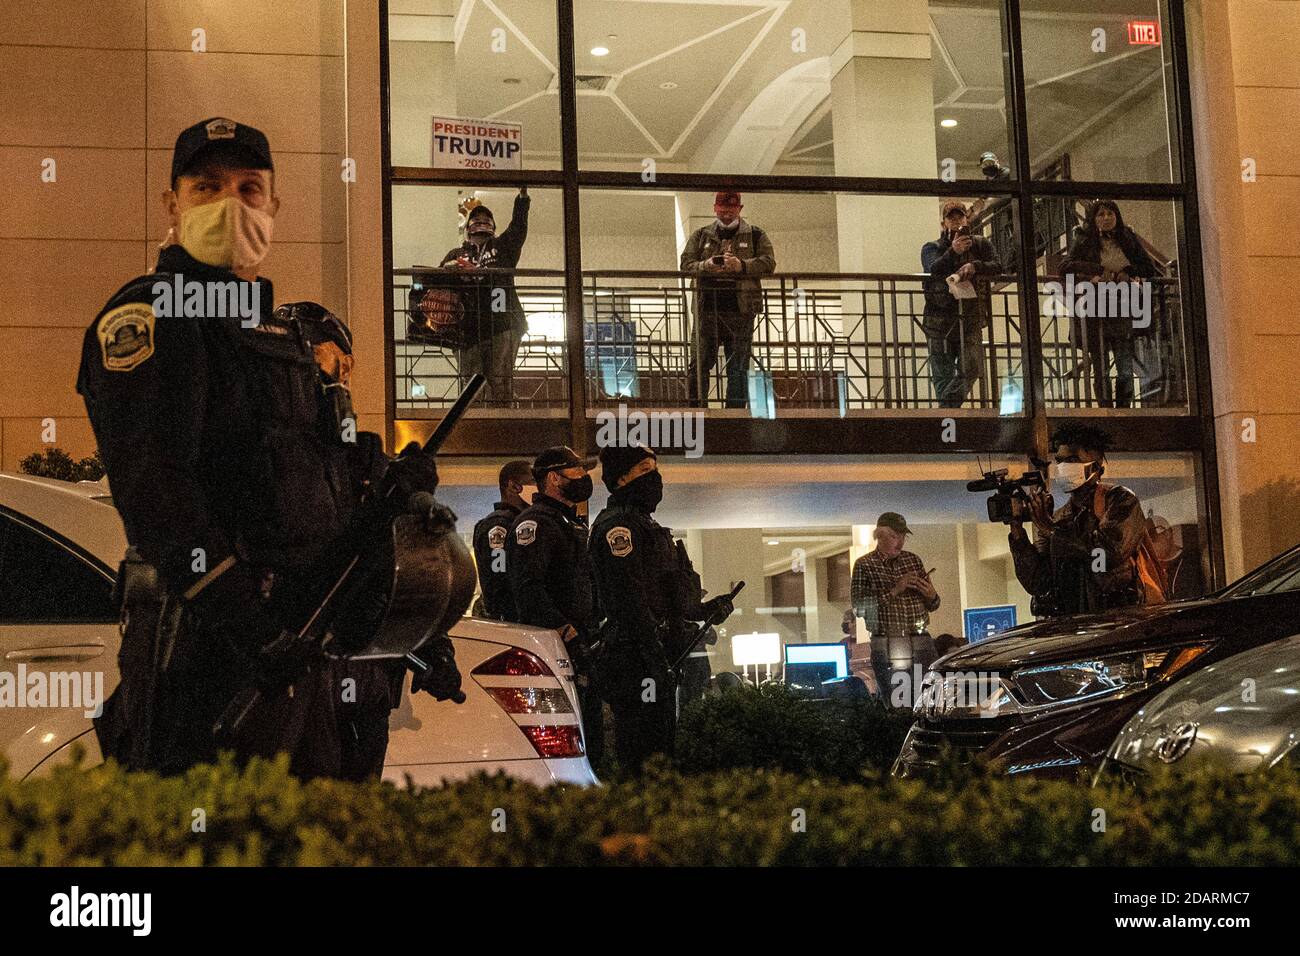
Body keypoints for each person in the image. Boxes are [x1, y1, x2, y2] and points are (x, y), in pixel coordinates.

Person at [77, 118, 446, 779]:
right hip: (206, 645)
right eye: (207, 187)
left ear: (274, 207)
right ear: (172, 205)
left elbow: (308, 482)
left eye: (250, 189)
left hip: (299, 648)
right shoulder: (152, 316)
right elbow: (159, 495)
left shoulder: (279, 335)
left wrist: (389, 481)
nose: (231, 205)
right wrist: (250, 626)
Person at [589, 445, 735, 769]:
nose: (655, 477)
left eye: (655, 469)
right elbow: (629, 601)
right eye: (644, 470)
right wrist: (654, 656)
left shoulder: (648, 527)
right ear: (622, 478)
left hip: (660, 658)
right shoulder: (619, 528)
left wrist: (705, 610)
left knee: (663, 749)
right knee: (643, 754)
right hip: (635, 659)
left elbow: (667, 597)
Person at [505, 446, 604, 766]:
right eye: (576, 472)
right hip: (555, 651)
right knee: (566, 742)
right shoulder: (535, 524)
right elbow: (528, 591)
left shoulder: (566, 522)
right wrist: (567, 632)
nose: (584, 478)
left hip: (578, 646)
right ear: (553, 478)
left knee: (590, 738)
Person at [1010, 422, 1161, 617]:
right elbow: (1039, 583)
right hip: (1076, 626)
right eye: (1060, 461)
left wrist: (1052, 531)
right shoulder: (1060, 517)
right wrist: (1018, 533)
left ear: (1097, 468)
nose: (1063, 467)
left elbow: (1107, 553)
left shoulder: (1120, 500)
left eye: (1072, 460)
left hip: (1118, 622)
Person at [681, 191, 776, 409]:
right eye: (722, 210)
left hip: (740, 311)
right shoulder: (701, 235)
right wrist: (706, 266)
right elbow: (685, 265)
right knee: (698, 364)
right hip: (707, 310)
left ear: (740, 209)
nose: (726, 214)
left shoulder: (755, 235)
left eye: (731, 210)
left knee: (739, 367)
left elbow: (769, 263)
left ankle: (735, 414)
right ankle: (697, 411)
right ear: (715, 208)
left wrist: (741, 266)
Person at [1060, 200, 1158, 408]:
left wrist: (1127, 272)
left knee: (1124, 367)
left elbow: (1148, 267)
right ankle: (1106, 407)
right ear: (1094, 219)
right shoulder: (1085, 239)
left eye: (1110, 214)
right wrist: (1096, 270)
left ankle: (1123, 409)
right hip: (1095, 307)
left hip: (1122, 305)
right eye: (1101, 214)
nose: (1106, 218)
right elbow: (1065, 266)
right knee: (1101, 366)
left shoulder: (1127, 237)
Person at [439, 188, 530, 403]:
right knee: (471, 382)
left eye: (486, 218)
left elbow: (518, 228)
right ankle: (472, 423)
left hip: (503, 322)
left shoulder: (503, 247)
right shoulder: (456, 254)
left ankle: (503, 423)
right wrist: (448, 269)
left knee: (500, 379)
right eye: (476, 218)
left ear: (494, 226)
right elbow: (438, 284)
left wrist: (522, 198)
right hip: (467, 326)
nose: (481, 221)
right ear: (468, 227)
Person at [849, 512, 940, 707]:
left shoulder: (913, 560)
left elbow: (933, 604)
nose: (900, 542)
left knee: (928, 701)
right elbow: (859, 608)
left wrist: (931, 594)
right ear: (879, 536)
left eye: (903, 536)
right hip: (888, 641)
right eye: (894, 536)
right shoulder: (865, 565)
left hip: (920, 639)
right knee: (898, 703)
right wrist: (895, 590)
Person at [921, 201, 1003, 407]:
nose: (956, 221)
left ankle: (945, 410)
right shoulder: (932, 247)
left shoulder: (981, 244)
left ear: (967, 220)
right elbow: (933, 268)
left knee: (973, 365)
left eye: (960, 217)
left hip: (970, 316)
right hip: (938, 319)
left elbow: (998, 266)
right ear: (944, 223)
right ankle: (949, 414)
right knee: (942, 372)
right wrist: (953, 252)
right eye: (951, 218)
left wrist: (975, 266)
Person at [472, 459, 534, 621]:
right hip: (509, 620)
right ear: (513, 487)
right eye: (533, 481)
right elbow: (498, 577)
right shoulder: (499, 525)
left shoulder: (520, 522)